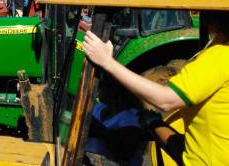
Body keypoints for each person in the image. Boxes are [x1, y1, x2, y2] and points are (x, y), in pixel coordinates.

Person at [83, 10, 229, 166]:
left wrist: (108, 62)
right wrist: (154, 123)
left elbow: (166, 101)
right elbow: (193, 151)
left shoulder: (220, 57)